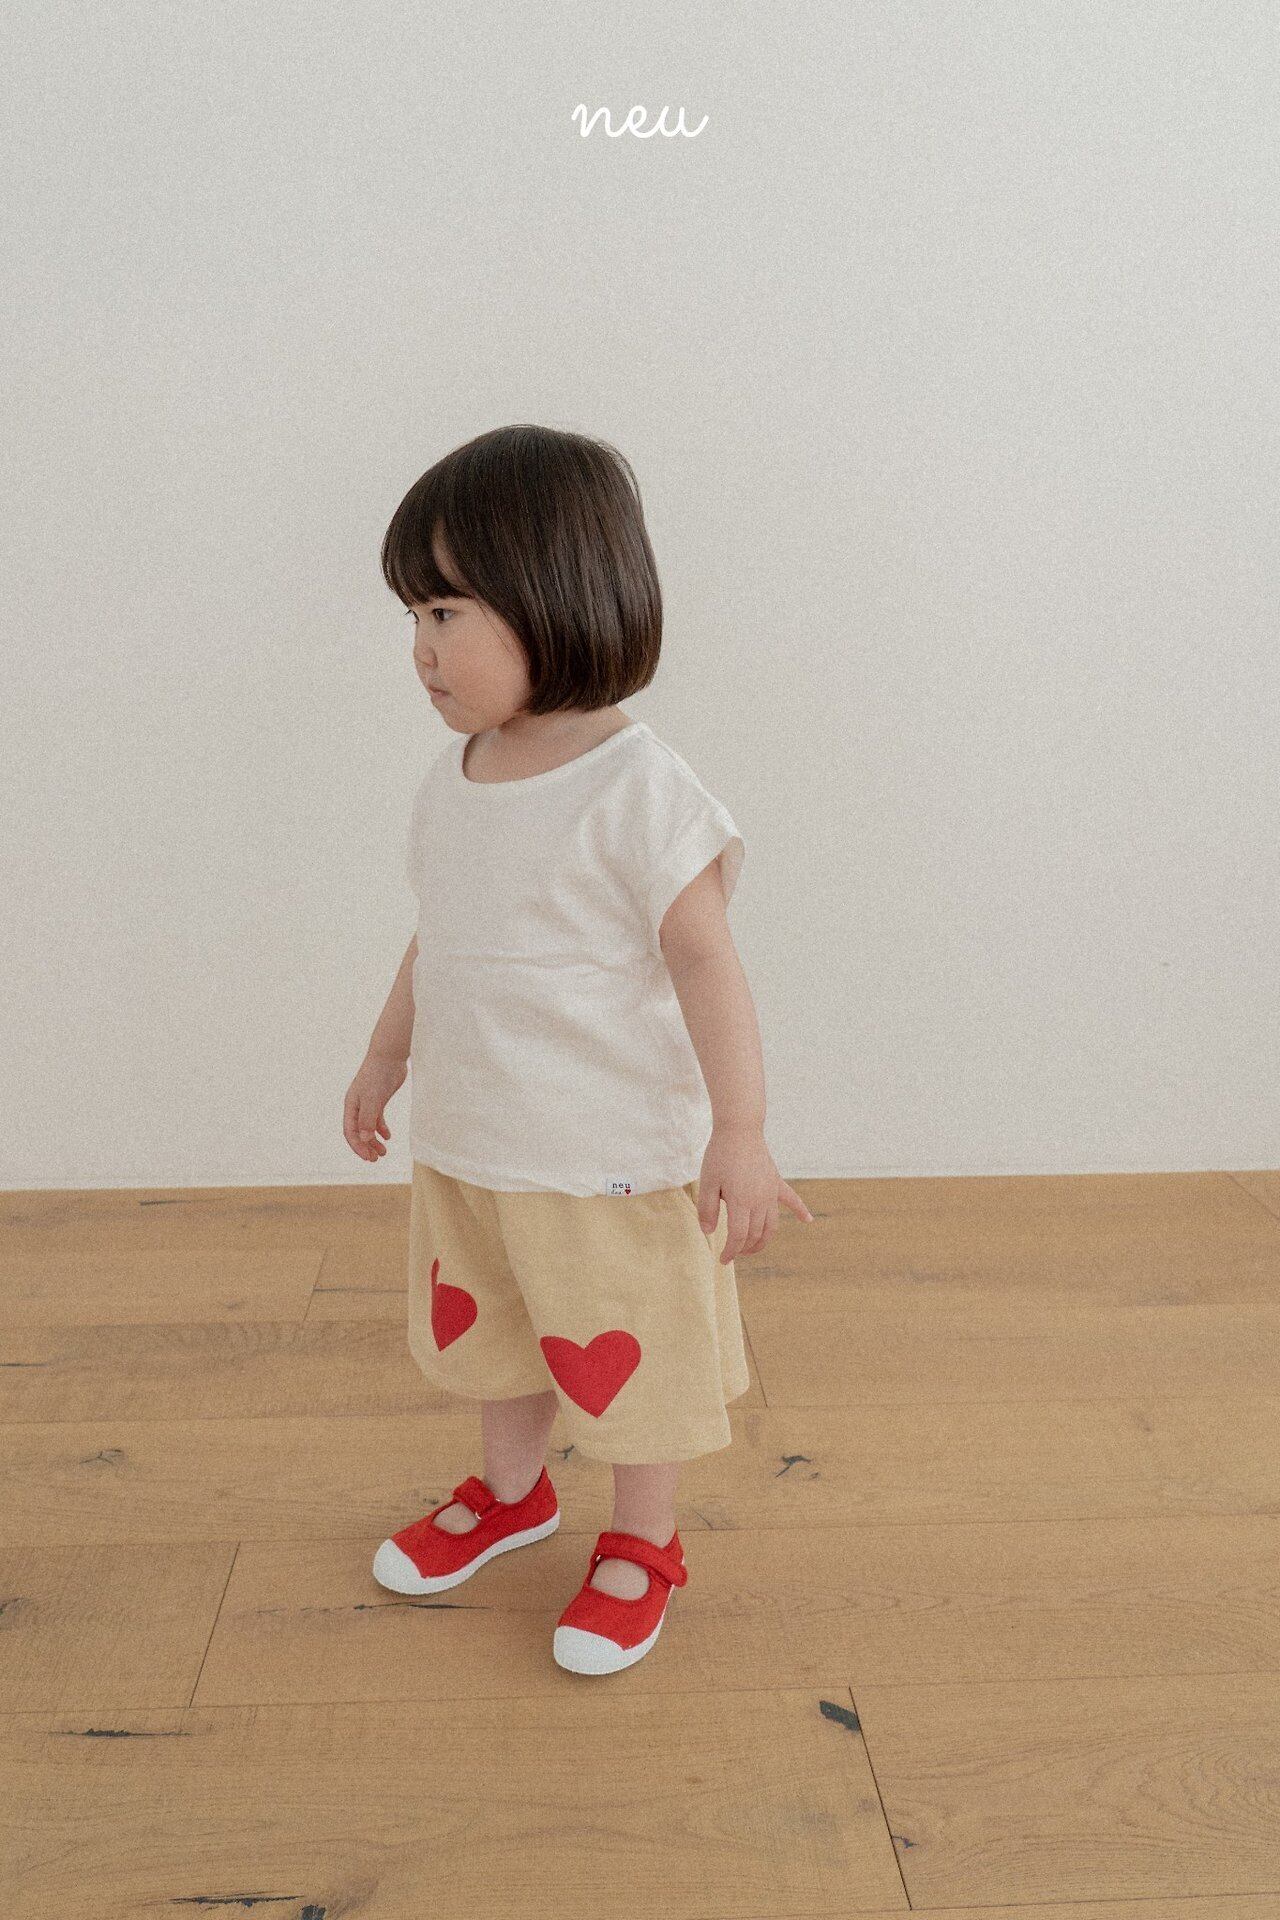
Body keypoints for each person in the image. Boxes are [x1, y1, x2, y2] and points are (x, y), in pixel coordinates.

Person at [343, 423, 812, 1674]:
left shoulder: (637, 790)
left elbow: (705, 961)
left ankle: (642, 1539)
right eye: (413, 614)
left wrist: (741, 1130)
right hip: (474, 1143)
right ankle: (512, 1496)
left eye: (445, 611)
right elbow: (437, 938)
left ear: (554, 596)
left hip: (605, 1160)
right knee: (497, 1334)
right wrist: (385, 1059)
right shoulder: (455, 778)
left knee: (629, 1353)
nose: (419, 646)